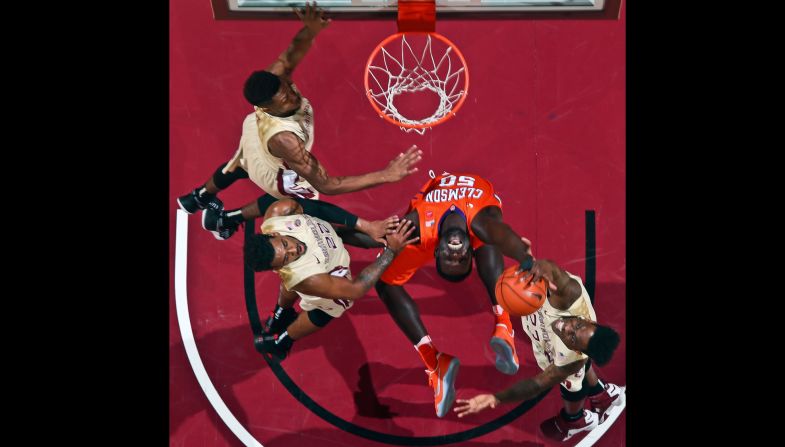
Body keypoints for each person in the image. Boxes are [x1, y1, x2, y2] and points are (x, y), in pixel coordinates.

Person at [176, 2, 423, 238]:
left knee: (240, 163)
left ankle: (198, 196)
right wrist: (385, 175)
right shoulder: (287, 141)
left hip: (253, 129)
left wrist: (311, 30)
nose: (293, 97)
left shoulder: (275, 79)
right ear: (267, 106)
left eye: (289, 90)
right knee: (291, 198)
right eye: (284, 101)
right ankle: (225, 219)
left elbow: (291, 53)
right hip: (272, 152)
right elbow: (328, 185)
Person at [374, 171, 539, 417]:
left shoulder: (422, 224)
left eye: (455, 258)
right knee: (488, 232)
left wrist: (337, 224)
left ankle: (499, 327)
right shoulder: (446, 227)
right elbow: (501, 234)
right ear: (435, 251)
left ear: (439, 251)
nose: (455, 253)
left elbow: (368, 236)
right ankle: (497, 329)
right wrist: (525, 258)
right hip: (471, 215)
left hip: (457, 214)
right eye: (460, 258)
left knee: (488, 233)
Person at [453, 258, 624, 442]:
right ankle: (601, 394)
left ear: (576, 349)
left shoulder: (572, 360)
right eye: (576, 324)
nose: (566, 328)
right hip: (558, 340)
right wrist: (536, 265)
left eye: (572, 338)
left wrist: (496, 398)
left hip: (565, 355)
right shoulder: (568, 295)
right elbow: (553, 271)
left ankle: (575, 420)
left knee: (571, 384)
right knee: (580, 349)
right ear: (588, 321)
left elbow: (537, 384)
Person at [244, 197, 419, 360]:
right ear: (278, 266)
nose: (294, 250)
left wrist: (366, 226)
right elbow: (356, 289)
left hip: (328, 241)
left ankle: (280, 313)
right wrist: (391, 252)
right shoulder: (310, 279)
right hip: (326, 273)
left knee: (290, 281)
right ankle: (282, 340)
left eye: (285, 244)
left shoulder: (279, 213)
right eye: (286, 258)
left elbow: (317, 207)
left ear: (274, 234)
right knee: (326, 309)